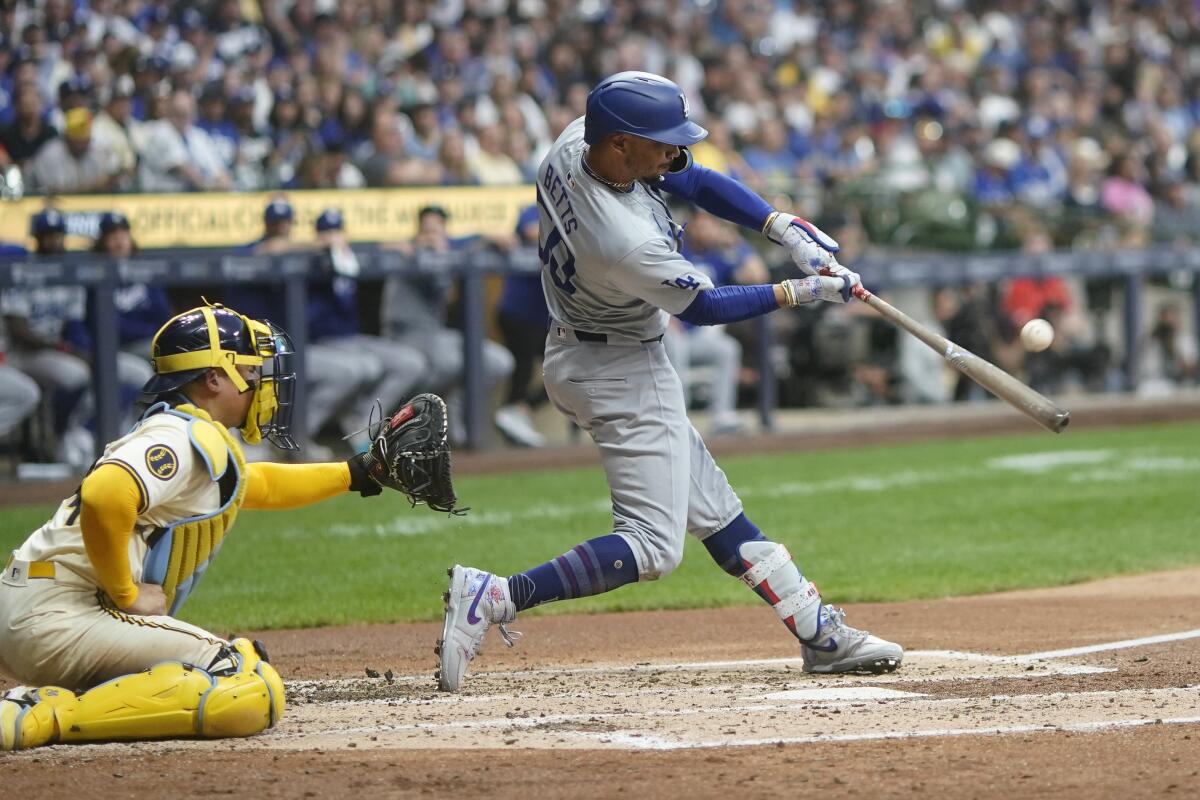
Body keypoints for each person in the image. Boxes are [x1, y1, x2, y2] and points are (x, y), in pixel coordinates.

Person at [438, 72, 903, 692]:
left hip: (587, 348)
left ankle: (820, 634)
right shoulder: (620, 240)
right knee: (654, 547)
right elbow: (705, 307)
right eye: (657, 140)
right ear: (622, 145)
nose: (671, 150)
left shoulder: (579, 140)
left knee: (716, 512)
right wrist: (804, 289)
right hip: (621, 366)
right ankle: (495, 596)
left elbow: (689, 176)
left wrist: (779, 225)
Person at [0, 303, 446, 750]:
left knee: (235, 667)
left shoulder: (182, 431)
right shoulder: (181, 437)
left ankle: (60, 697)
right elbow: (106, 493)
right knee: (250, 689)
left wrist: (358, 472)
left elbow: (259, 485)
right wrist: (127, 594)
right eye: (250, 372)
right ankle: (44, 714)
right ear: (213, 378)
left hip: (41, 610)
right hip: (58, 619)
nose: (259, 384)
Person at [381, 205, 515, 443]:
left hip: (436, 336)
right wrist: (414, 249)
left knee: (500, 362)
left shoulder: (446, 249)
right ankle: (408, 424)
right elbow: (376, 247)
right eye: (426, 230)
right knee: (449, 361)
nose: (431, 235)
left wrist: (485, 237)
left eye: (437, 230)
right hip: (404, 336)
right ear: (417, 231)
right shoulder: (405, 250)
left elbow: (466, 243)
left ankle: (455, 403)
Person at [666, 210, 768, 435]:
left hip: (698, 335)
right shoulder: (678, 250)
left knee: (727, 349)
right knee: (677, 344)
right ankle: (679, 419)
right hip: (670, 331)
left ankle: (721, 416)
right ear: (691, 225)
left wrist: (735, 242)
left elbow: (757, 275)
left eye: (710, 225)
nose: (706, 230)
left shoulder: (719, 256)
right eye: (701, 224)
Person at [494, 204, 550, 448]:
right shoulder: (538, 206)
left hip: (543, 315)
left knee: (567, 371)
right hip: (518, 309)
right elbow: (531, 230)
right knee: (523, 369)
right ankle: (514, 411)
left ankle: (517, 411)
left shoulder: (580, 207)